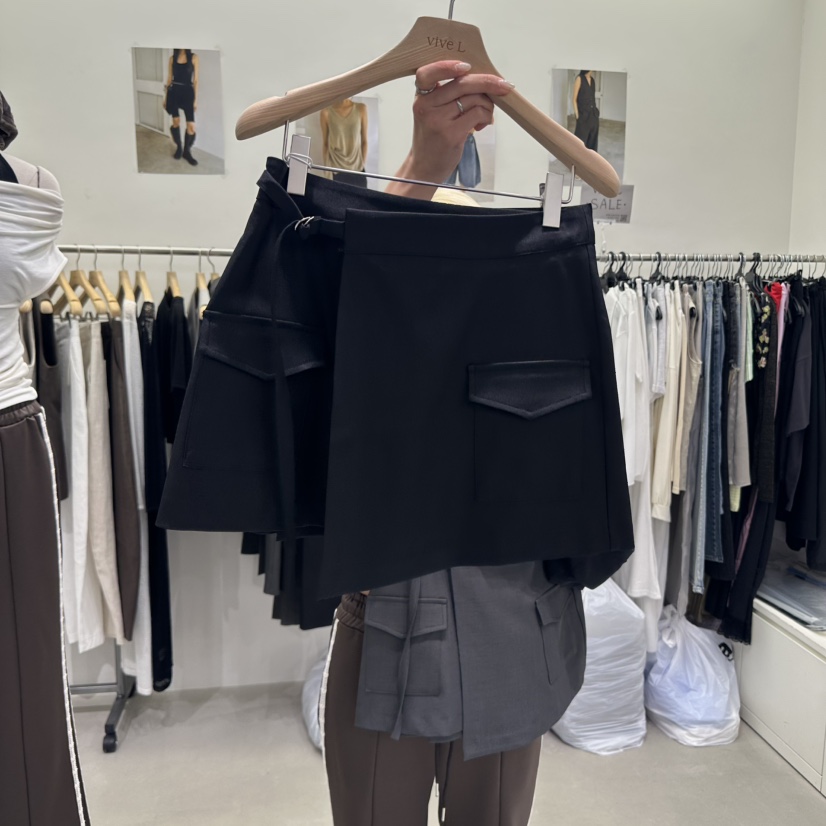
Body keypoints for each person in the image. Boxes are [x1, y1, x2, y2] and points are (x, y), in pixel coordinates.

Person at [321, 60, 587, 826]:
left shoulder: (540, 307)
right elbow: (339, 314)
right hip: (390, 610)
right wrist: (422, 166)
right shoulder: (369, 324)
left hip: (514, 610)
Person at [320, 98, 369, 187]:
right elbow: (325, 144)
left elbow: (364, 141)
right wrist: (326, 170)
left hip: (358, 171)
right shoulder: (326, 112)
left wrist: (362, 164)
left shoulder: (361, 108)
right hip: (337, 171)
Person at [164, 49, 199, 166]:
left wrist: (195, 100)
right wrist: (165, 98)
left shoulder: (194, 58)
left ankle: (186, 151)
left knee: (191, 127)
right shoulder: (172, 59)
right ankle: (179, 147)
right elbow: (169, 78)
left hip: (188, 93)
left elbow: (196, 80)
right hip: (174, 93)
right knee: (176, 121)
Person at [572, 69, 600, 151]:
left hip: (593, 116)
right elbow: (574, 99)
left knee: (592, 142)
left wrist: (596, 115)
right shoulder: (579, 78)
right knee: (580, 142)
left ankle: (590, 158)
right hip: (583, 116)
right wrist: (577, 116)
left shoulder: (592, 80)